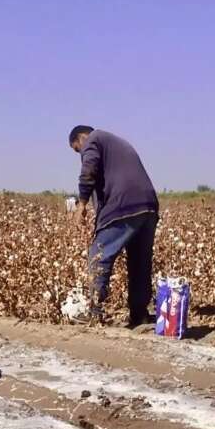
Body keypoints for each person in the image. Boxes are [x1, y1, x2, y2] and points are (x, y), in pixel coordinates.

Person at [67, 126, 159, 327]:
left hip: (122, 205)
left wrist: (81, 203)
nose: (80, 154)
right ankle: (139, 315)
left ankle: (94, 313)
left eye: (77, 150)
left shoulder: (92, 139)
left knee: (99, 256)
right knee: (139, 263)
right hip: (148, 206)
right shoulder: (118, 143)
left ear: (80, 138)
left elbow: (88, 169)